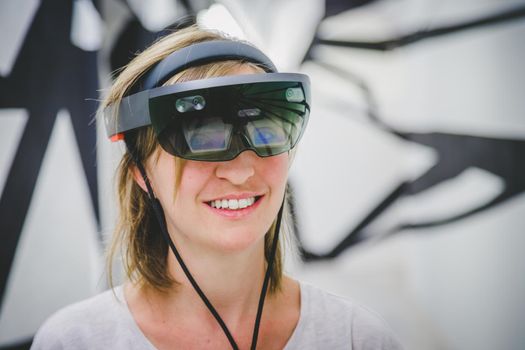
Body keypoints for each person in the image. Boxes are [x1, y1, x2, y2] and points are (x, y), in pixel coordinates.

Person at [31, 25, 403, 350]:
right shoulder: (75, 341)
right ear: (142, 175)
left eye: (265, 133)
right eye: (202, 138)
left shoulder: (355, 338)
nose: (241, 172)